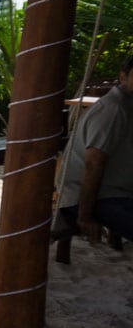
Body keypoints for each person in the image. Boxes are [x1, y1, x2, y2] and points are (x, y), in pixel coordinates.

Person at [56, 53, 133, 243]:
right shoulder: (114, 110)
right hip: (93, 197)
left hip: (117, 191)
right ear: (123, 76)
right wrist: (85, 216)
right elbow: (93, 164)